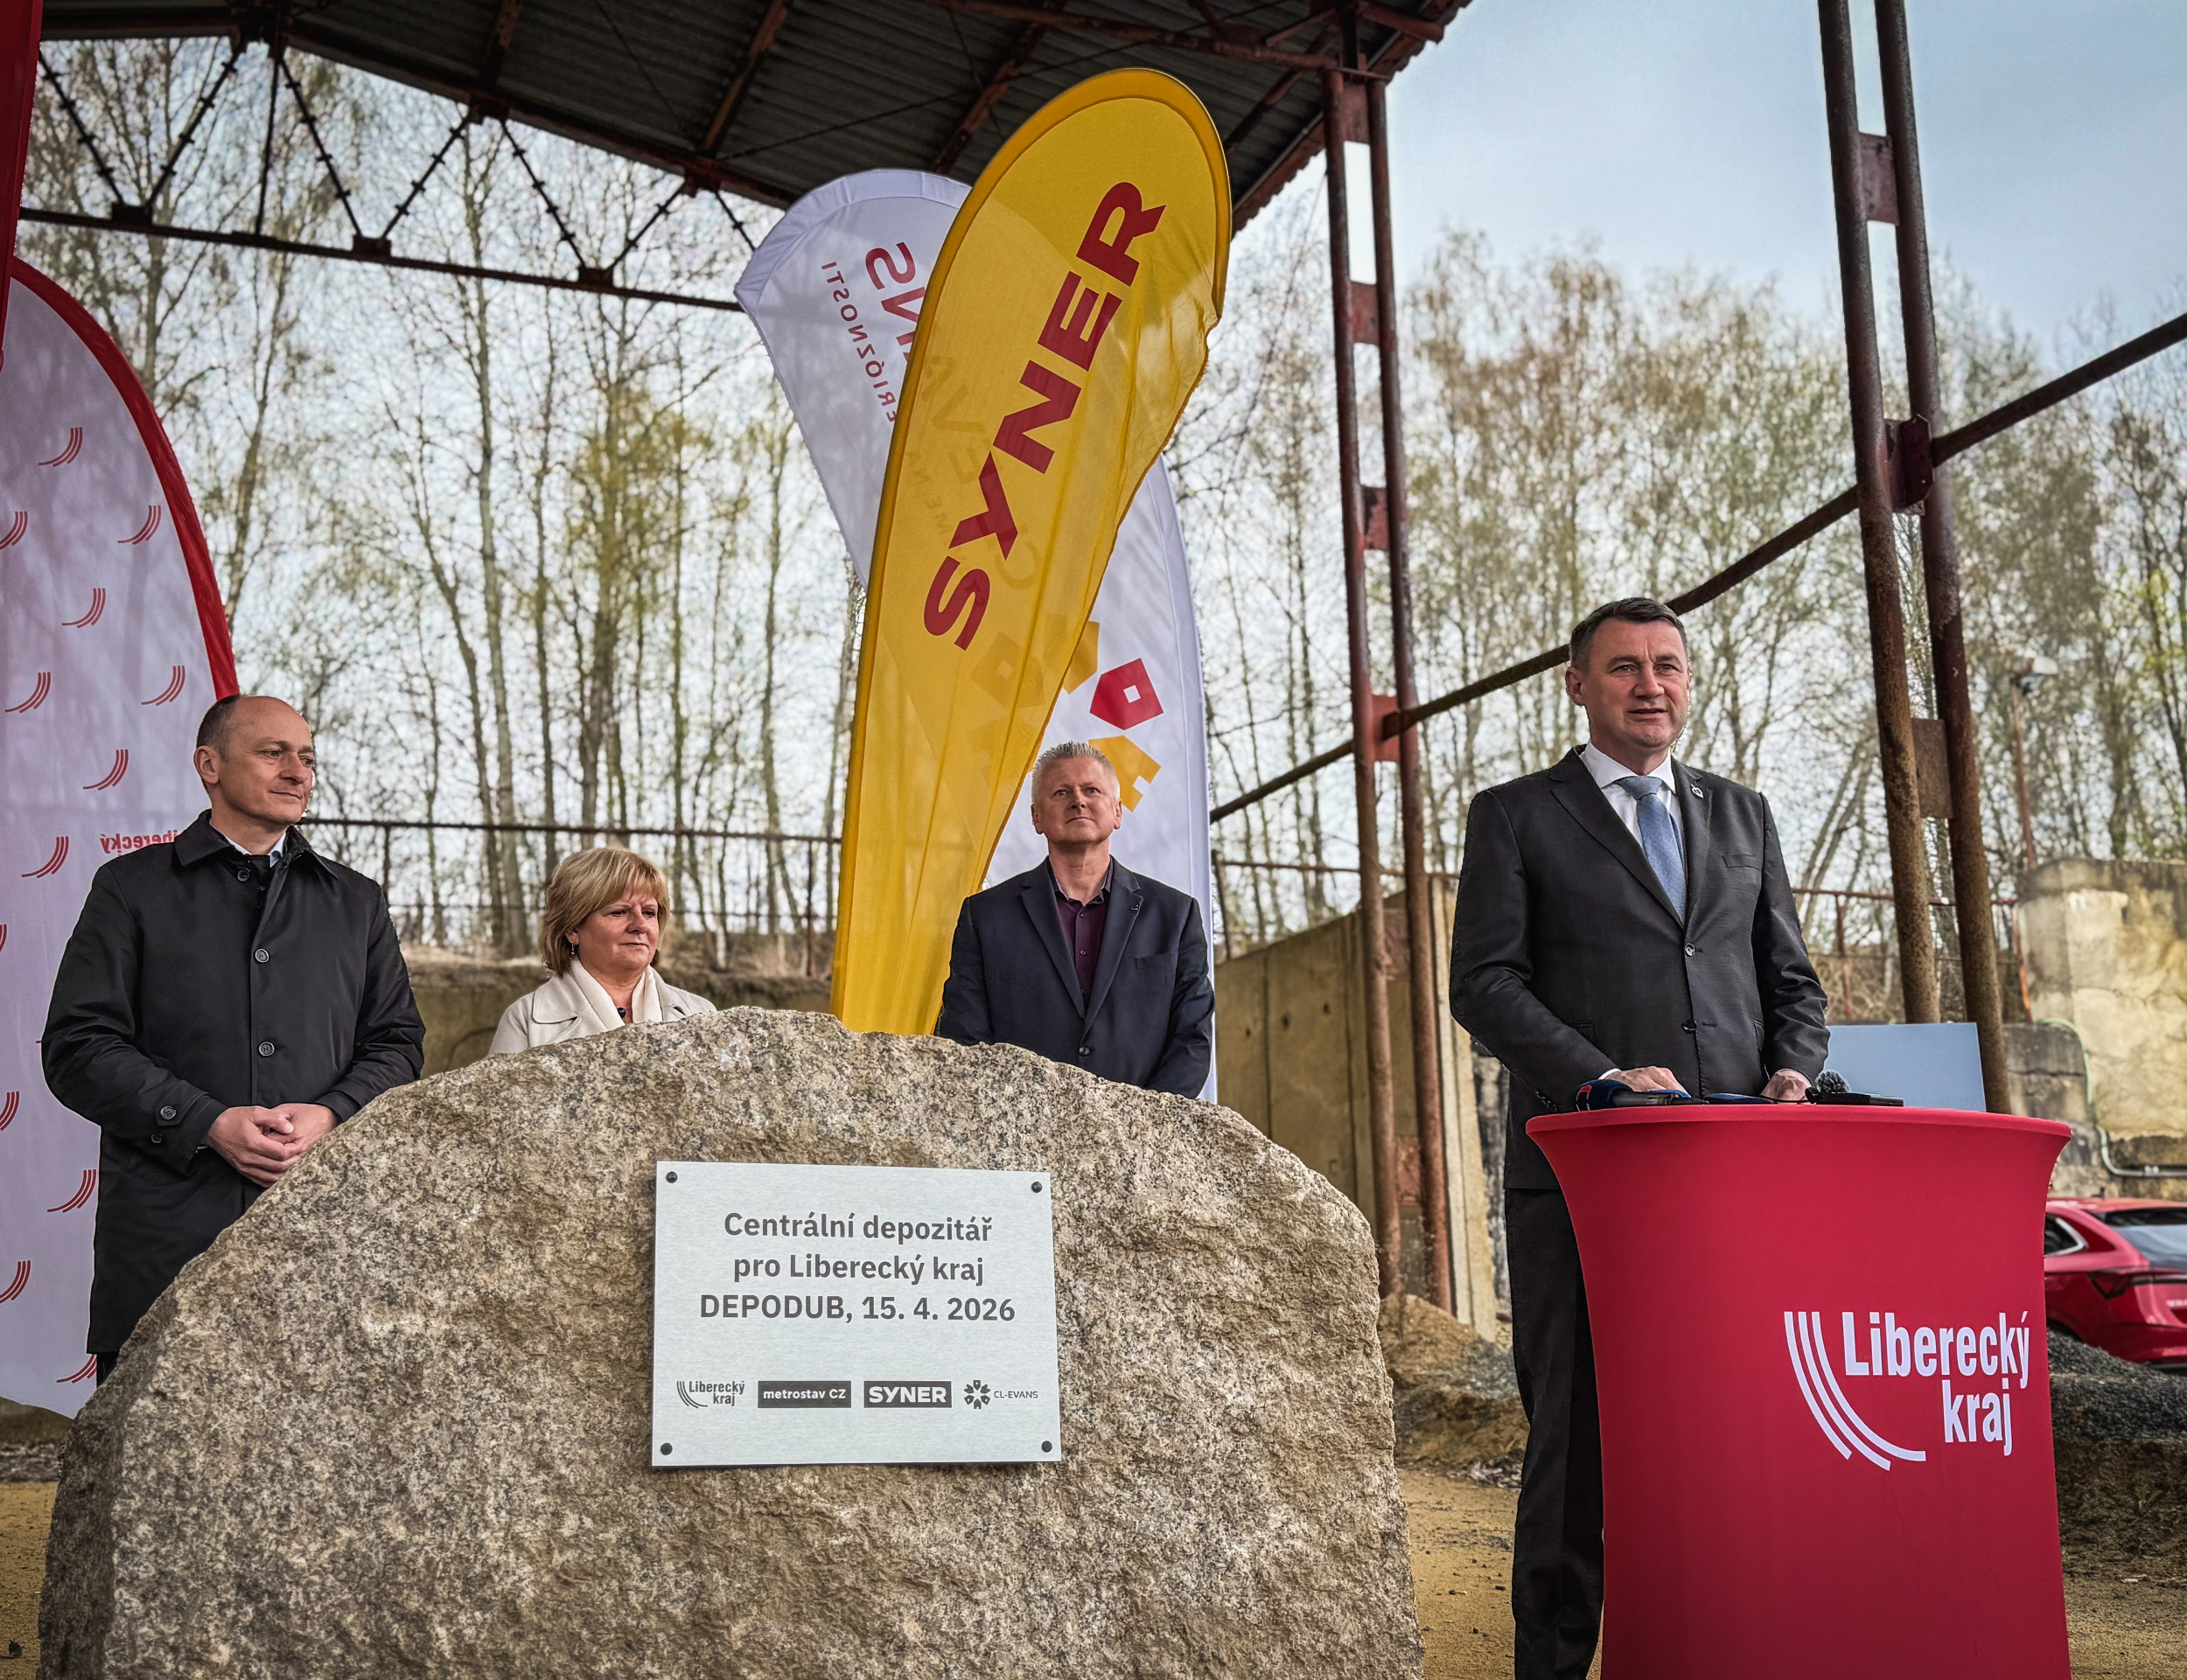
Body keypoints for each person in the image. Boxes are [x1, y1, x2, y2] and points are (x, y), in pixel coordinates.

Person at [1448, 597, 1828, 1680]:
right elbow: (1483, 983)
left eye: (1667, 665)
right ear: (1578, 685)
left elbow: (1791, 982)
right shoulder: (1515, 816)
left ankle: (1720, 1648)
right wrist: (1599, 1079)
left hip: (1735, 1179)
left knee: (1735, 1434)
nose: (1649, 684)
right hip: (1585, 1181)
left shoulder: (1743, 815)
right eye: (1623, 667)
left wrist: (1794, 1067)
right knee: (1575, 1444)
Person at [44, 694, 425, 1379]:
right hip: (165, 1245)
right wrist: (206, 1122)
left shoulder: (357, 901)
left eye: (307, 757)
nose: (298, 771)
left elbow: (397, 1044)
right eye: (273, 752)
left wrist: (332, 1113)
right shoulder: (130, 887)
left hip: (321, 1239)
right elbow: (78, 1046)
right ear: (209, 764)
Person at [936, 742, 1213, 1097]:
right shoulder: (985, 916)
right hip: (1020, 1124)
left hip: (1141, 1127)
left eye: (1092, 790)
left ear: (1117, 812)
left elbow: (1192, 1038)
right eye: (1061, 792)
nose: (1078, 801)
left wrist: (1144, 1120)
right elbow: (965, 1038)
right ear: (1036, 817)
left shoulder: (1175, 915)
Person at [489, 847, 715, 1053]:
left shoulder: (701, 1012)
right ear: (572, 929)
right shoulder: (526, 1021)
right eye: (619, 912)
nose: (640, 925)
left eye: (649, 913)